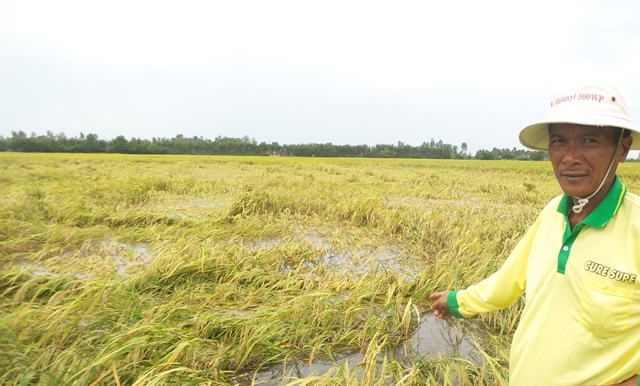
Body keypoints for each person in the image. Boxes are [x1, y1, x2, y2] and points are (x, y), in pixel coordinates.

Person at [430, 83, 640, 386]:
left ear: (622, 149)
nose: (569, 157)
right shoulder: (553, 212)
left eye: (590, 141)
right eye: (559, 142)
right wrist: (457, 302)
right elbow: (508, 281)